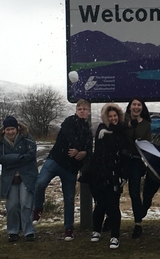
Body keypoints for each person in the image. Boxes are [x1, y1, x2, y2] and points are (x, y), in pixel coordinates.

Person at [32, 98, 92, 240]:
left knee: (69, 199)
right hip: (55, 160)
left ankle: (69, 229)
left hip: (71, 169)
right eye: (79, 109)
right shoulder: (69, 121)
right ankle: (38, 208)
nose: (82, 111)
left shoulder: (88, 131)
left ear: (89, 112)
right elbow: (69, 137)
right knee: (40, 183)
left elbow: (90, 150)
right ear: (76, 110)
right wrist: (79, 148)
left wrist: (84, 152)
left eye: (84, 109)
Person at [83, 103, 127, 250]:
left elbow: (120, 149)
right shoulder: (101, 129)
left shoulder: (123, 130)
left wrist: (123, 175)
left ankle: (115, 236)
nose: (113, 118)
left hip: (115, 174)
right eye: (110, 116)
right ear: (106, 117)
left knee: (113, 206)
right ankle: (96, 230)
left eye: (115, 116)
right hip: (99, 173)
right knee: (100, 204)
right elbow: (101, 150)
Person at [0, 115, 38, 242]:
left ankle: (29, 231)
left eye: (12, 129)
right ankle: (12, 231)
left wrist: (12, 159)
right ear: (4, 130)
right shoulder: (0, 142)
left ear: (17, 129)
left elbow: (31, 154)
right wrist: (20, 158)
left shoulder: (26, 137)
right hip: (10, 179)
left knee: (26, 204)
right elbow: (0, 158)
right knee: (12, 206)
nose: (10, 132)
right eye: (7, 129)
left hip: (26, 177)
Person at [123, 97, 152, 239]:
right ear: (129, 107)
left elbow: (146, 143)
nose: (136, 107)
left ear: (142, 107)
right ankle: (110, 218)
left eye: (139, 104)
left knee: (134, 193)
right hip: (121, 160)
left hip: (135, 161)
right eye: (133, 104)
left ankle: (138, 224)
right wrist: (128, 125)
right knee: (113, 191)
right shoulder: (122, 120)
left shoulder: (146, 125)